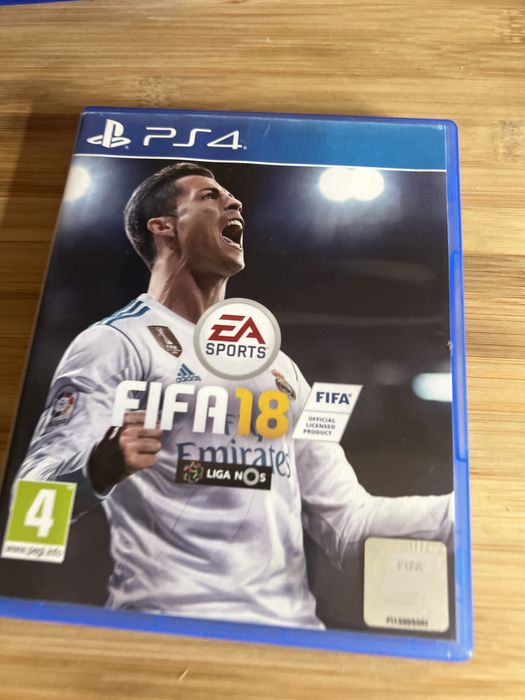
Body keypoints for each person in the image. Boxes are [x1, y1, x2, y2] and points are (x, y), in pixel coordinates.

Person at [17, 162, 453, 629]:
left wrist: (465, 514)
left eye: (230, 196)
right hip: (166, 627)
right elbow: (30, 507)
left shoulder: (282, 370)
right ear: (164, 227)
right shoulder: (115, 343)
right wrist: (96, 469)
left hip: (289, 635)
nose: (235, 202)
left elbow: (349, 526)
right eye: (210, 196)